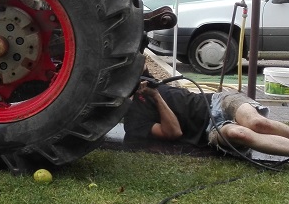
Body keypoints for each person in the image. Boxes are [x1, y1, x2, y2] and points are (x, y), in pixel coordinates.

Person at [124, 73, 289, 157]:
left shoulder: (142, 78)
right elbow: (174, 132)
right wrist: (155, 96)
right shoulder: (133, 122)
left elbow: (137, 56)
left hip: (218, 101)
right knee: (239, 133)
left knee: (258, 123)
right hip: (209, 130)